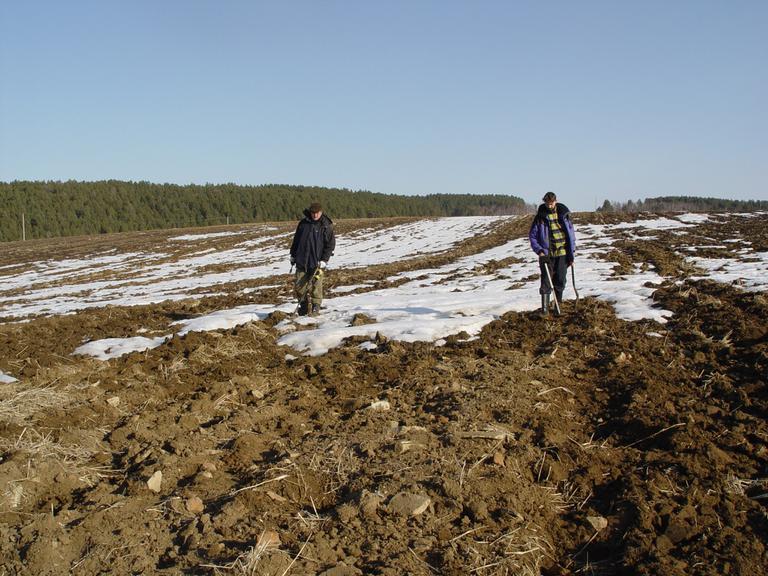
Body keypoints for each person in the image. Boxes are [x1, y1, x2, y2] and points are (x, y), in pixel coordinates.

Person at [529, 192, 576, 317]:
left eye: (551, 203)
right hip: (546, 254)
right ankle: (544, 310)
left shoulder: (564, 215)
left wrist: (571, 253)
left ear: (556, 201)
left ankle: (557, 307)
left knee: (560, 279)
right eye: (547, 203)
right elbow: (533, 236)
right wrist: (539, 250)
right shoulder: (540, 217)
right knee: (546, 280)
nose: (549, 206)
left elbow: (571, 235)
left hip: (562, 253)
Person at [290, 202, 335, 315]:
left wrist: (324, 260)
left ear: (321, 212)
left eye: (317, 213)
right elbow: (296, 241)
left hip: (317, 262)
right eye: (313, 213)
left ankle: (316, 306)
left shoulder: (326, 225)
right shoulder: (303, 223)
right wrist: (293, 255)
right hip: (302, 260)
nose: (315, 215)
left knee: (316, 286)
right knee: (299, 286)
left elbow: (330, 245)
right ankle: (304, 306)